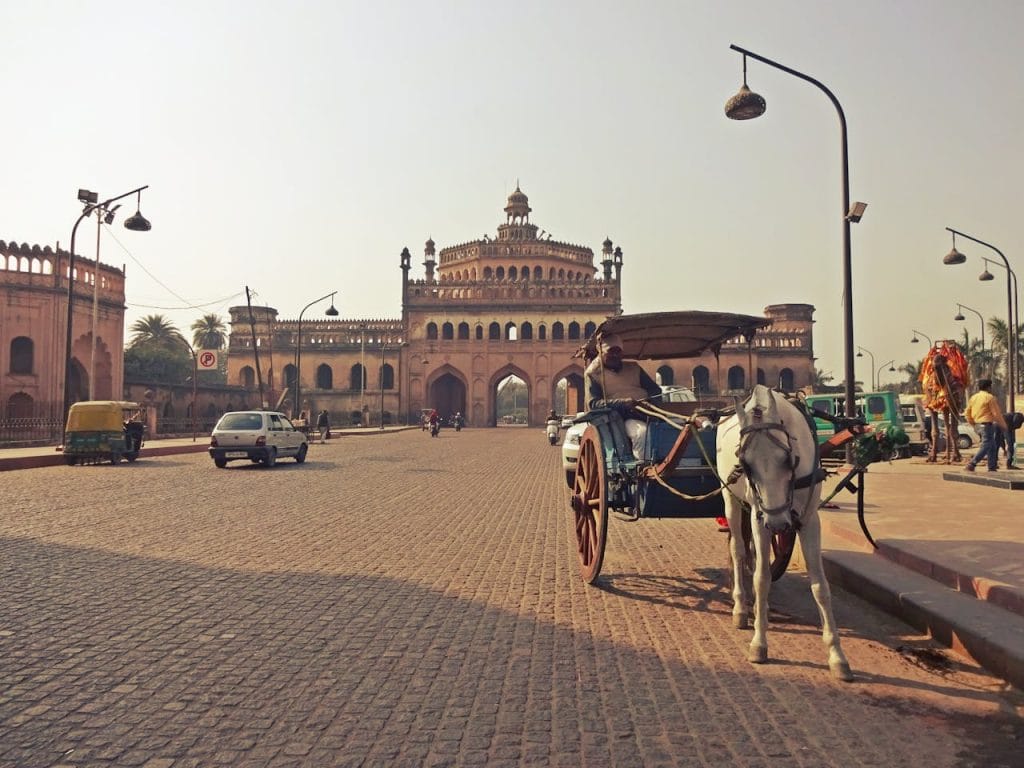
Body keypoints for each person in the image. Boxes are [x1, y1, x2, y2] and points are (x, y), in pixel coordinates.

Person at [585, 331, 661, 458]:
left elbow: (655, 390)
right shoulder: (594, 374)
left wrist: (649, 402)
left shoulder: (634, 368)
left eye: (617, 351)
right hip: (620, 419)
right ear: (601, 353)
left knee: (677, 430)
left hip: (646, 413)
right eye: (610, 351)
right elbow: (593, 404)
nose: (615, 355)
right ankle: (643, 469)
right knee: (642, 434)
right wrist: (623, 403)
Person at [964, 379, 1008, 472]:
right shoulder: (990, 397)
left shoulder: (973, 397)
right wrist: (1004, 425)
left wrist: (973, 424)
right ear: (988, 387)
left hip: (978, 425)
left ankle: (992, 467)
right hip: (987, 425)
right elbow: (996, 414)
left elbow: (967, 413)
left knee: (992, 445)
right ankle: (972, 464)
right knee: (986, 445)